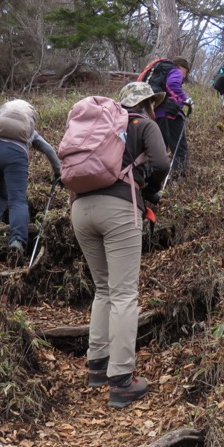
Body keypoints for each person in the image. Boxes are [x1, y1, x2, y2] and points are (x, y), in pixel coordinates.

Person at [70, 82, 170, 408]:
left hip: (80, 209)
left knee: (103, 289)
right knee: (125, 293)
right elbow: (162, 163)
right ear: (148, 104)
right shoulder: (145, 124)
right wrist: (151, 190)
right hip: (119, 208)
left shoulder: (103, 126)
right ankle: (122, 381)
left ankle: (97, 365)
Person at [0, 99, 61, 261]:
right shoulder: (29, 130)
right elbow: (49, 151)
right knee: (17, 201)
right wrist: (58, 173)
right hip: (14, 156)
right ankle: (17, 241)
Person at [155, 56, 192, 177]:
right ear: (181, 67)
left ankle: (156, 178)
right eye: (186, 72)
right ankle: (177, 179)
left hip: (158, 115)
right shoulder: (176, 70)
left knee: (160, 150)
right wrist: (186, 99)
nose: (185, 76)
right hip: (170, 115)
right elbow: (172, 85)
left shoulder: (162, 75)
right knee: (179, 150)